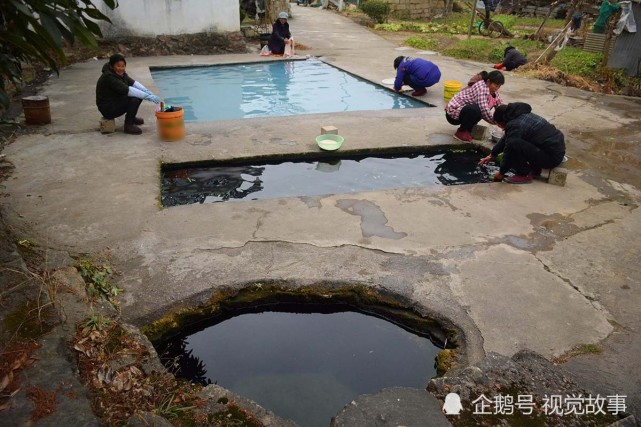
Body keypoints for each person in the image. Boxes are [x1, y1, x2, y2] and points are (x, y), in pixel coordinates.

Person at [479, 102, 566, 184]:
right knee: (516, 142)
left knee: (514, 146)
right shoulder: (519, 116)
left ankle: (524, 174)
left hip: (551, 158)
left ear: (502, 121)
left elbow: (509, 150)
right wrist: (492, 155)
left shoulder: (516, 125)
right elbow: (506, 138)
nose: (500, 127)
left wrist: (501, 172)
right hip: (552, 152)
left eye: (499, 124)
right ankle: (535, 170)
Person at [95, 53, 160, 135]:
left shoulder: (119, 73)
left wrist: (146, 91)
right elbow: (128, 90)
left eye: (123, 66)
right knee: (134, 99)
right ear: (111, 66)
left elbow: (133, 83)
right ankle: (128, 125)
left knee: (139, 95)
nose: (121, 68)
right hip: (107, 108)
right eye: (118, 66)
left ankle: (131, 117)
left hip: (114, 101)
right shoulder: (109, 77)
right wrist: (148, 96)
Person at [445, 70, 505, 143]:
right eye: (496, 85)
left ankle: (469, 128)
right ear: (489, 81)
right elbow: (484, 110)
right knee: (476, 110)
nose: (497, 88)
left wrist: (504, 117)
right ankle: (461, 131)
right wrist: (497, 122)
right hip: (453, 114)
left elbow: (499, 103)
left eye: (499, 86)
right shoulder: (481, 88)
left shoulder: (492, 89)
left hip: (464, 111)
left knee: (479, 109)